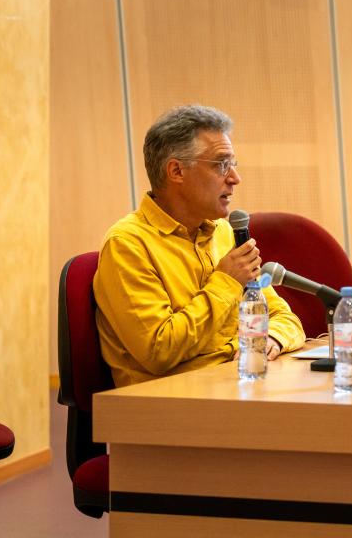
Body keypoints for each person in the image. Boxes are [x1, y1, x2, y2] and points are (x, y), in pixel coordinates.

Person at [93, 105, 305, 387]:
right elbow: (159, 350)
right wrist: (227, 282)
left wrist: (274, 338)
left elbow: (283, 317)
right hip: (170, 405)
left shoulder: (223, 232)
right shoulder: (129, 244)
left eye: (233, 164)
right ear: (177, 170)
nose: (234, 178)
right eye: (221, 164)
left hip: (233, 382)